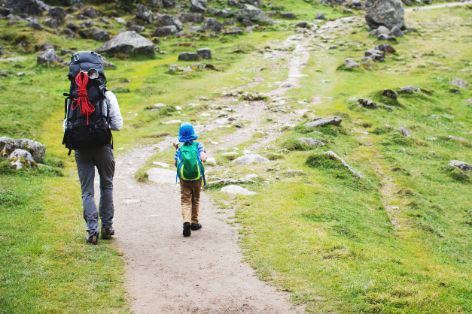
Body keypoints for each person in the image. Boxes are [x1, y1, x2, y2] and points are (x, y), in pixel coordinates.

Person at [73, 90, 123, 244]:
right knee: (106, 185)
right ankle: (107, 227)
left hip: (81, 148)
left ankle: (92, 231)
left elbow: (66, 126)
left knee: (87, 191)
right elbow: (118, 125)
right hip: (102, 146)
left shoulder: (74, 94)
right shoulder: (107, 95)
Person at [174, 123, 207, 237]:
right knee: (196, 199)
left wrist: (177, 150)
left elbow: (175, 163)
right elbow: (203, 158)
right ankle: (194, 222)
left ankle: (186, 221)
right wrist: (204, 157)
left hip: (184, 179)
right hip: (197, 178)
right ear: (193, 134)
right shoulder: (198, 145)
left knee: (185, 200)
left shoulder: (180, 149)